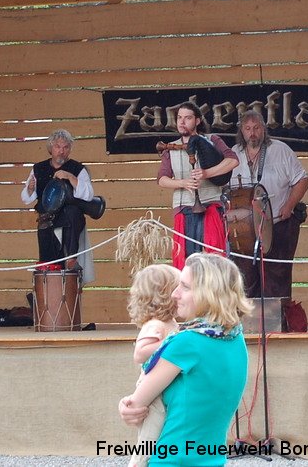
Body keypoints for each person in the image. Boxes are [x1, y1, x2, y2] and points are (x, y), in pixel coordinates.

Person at [118, 253, 251, 467]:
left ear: (208, 294)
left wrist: (124, 406)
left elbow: (136, 405)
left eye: (185, 287)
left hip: (172, 460)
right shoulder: (236, 337)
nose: (174, 294)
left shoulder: (187, 343)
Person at [230, 110, 308, 299]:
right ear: (241, 131)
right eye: (248, 128)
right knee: (246, 280)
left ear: (264, 129)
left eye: (256, 128)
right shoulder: (233, 154)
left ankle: (278, 316)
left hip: (278, 223)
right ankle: (250, 317)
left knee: (276, 280)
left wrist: (289, 206)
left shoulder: (280, 150)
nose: (252, 133)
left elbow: (302, 180)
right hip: (244, 228)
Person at [158, 103, 238, 269]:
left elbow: (233, 160)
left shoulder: (212, 140)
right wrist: (182, 183)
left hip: (210, 205)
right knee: (186, 261)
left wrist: (206, 173)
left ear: (197, 121)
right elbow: (162, 179)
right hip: (183, 208)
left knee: (213, 258)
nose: (182, 122)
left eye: (187, 118)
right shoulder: (170, 148)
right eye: (179, 118)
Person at [22, 129, 100, 282]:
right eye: (58, 147)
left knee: (72, 212)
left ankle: (71, 259)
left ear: (69, 149)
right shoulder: (38, 169)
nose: (61, 151)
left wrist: (70, 177)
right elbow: (26, 198)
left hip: (71, 224)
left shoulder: (78, 169)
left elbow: (89, 195)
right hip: (47, 221)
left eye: (65, 147)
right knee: (49, 268)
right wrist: (30, 189)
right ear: (51, 148)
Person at [125, 264, 181, 467]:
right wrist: (171, 342)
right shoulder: (156, 325)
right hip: (152, 392)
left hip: (162, 386)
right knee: (149, 436)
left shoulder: (170, 322)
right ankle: (138, 462)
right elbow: (140, 353)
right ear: (165, 294)